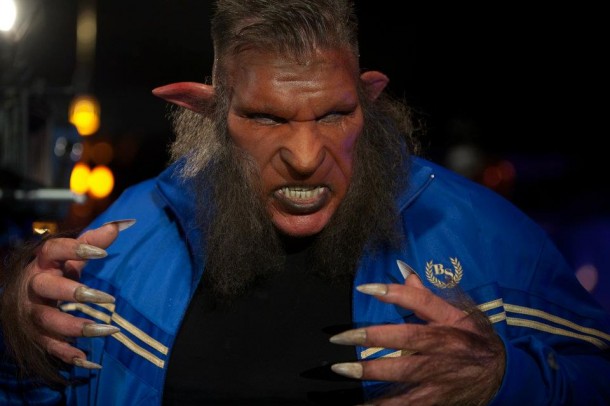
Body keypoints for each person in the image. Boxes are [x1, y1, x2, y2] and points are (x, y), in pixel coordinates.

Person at [1, 0, 609, 404]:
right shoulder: (131, 237)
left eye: (334, 114)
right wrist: (13, 331)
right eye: (267, 118)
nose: (305, 155)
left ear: (369, 100)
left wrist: (506, 379)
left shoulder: (477, 230)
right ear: (206, 111)